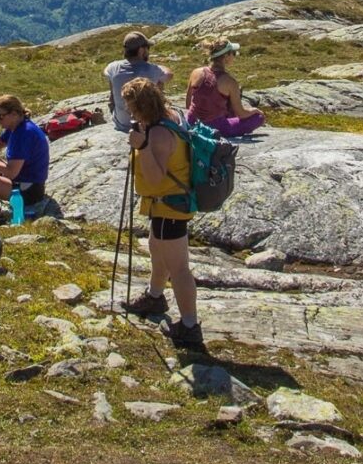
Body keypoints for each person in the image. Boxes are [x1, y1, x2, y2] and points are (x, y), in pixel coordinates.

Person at [120, 77, 204, 350]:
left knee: (179, 268)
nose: (130, 113)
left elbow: (155, 178)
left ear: (143, 106)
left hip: (169, 206)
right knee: (157, 248)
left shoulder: (157, 134)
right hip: (166, 205)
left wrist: (141, 146)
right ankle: (155, 295)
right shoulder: (172, 116)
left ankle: (190, 325)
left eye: (132, 108)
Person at [185, 36, 266, 139]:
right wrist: (255, 110)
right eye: (233, 53)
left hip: (192, 122)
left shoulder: (196, 72)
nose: (234, 56)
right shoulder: (230, 82)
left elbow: (188, 103)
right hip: (215, 127)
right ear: (226, 56)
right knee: (258, 118)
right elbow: (241, 114)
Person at [103, 30, 169, 133]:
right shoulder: (152, 70)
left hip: (122, 123)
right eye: (147, 48)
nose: (148, 51)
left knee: (112, 80)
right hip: (148, 126)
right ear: (141, 50)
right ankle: (154, 116)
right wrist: (159, 66)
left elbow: (106, 73)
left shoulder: (113, 67)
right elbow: (169, 74)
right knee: (159, 82)